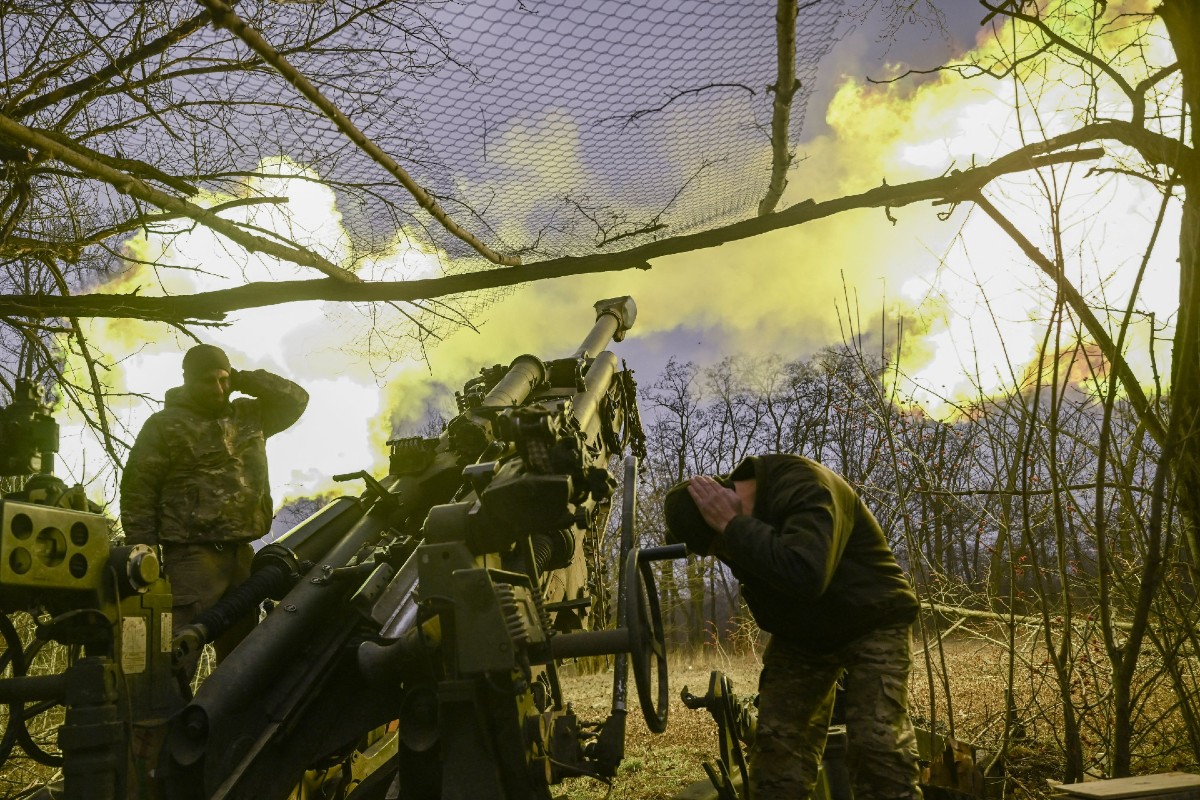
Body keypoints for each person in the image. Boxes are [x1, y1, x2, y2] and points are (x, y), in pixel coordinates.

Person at [664, 453, 923, 800]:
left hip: (872, 617)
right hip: (804, 635)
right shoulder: (740, 529)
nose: (726, 553)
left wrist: (735, 527)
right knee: (776, 756)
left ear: (727, 506)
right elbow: (771, 615)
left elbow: (805, 574)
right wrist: (737, 536)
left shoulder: (804, 485)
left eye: (720, 543)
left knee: (877, 749)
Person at [120, 343, 308, 664]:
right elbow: (139, 492)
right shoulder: (165, 425)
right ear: (188, 381)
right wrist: (145, 559)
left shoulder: (251, 415)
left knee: (239, 666)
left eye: (224, 379)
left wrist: (244, 379)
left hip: (242, 558)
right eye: (209, 380)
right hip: (192, 560)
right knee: (173, 658)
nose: (219, 389)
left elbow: (296, 399)